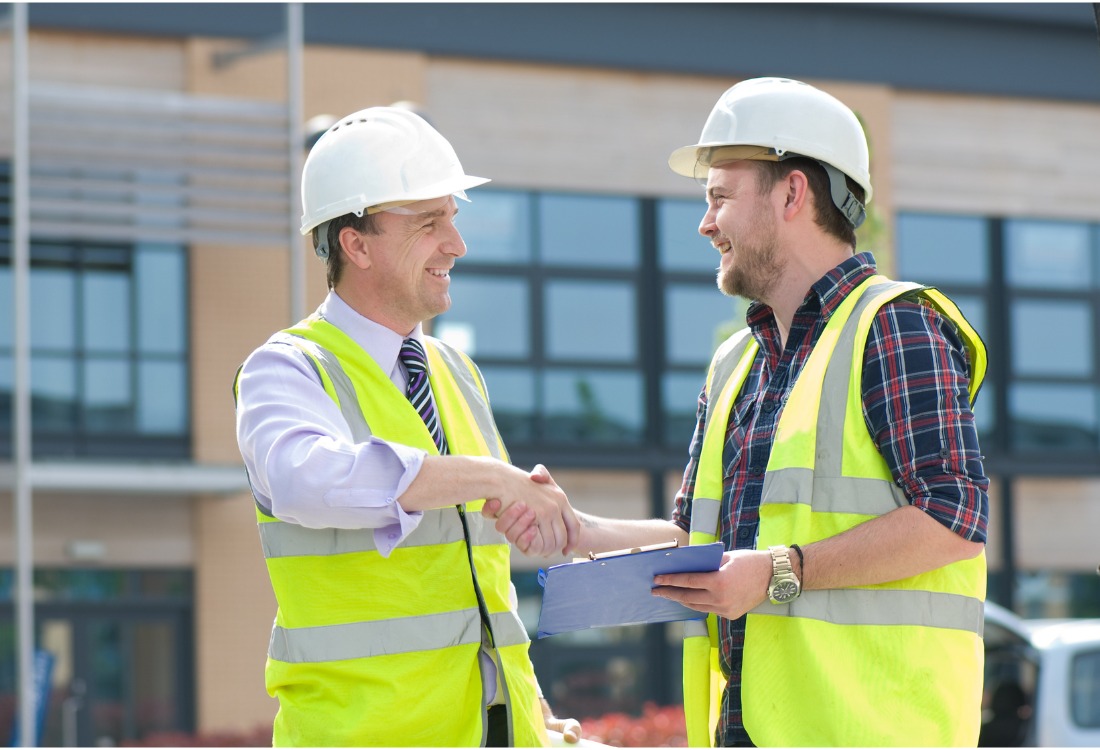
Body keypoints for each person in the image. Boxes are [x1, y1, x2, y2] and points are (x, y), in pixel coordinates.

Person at [491, 77, 989, 747]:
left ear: (792, 193)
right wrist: (580, 531)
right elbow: (702, 547)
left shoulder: (896, 325)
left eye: (720, 198)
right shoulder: (737, 364)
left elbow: (952, 518)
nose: (705, 224)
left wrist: (781, 572)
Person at [234, 106, 581, 747]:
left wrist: (526, 707)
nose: (457, 243)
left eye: (453, 217)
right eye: (429, 223)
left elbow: (481, 580)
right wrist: (491, 476)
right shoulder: (286, 370)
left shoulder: (456, 372)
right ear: (356, 244)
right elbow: (305, 482)